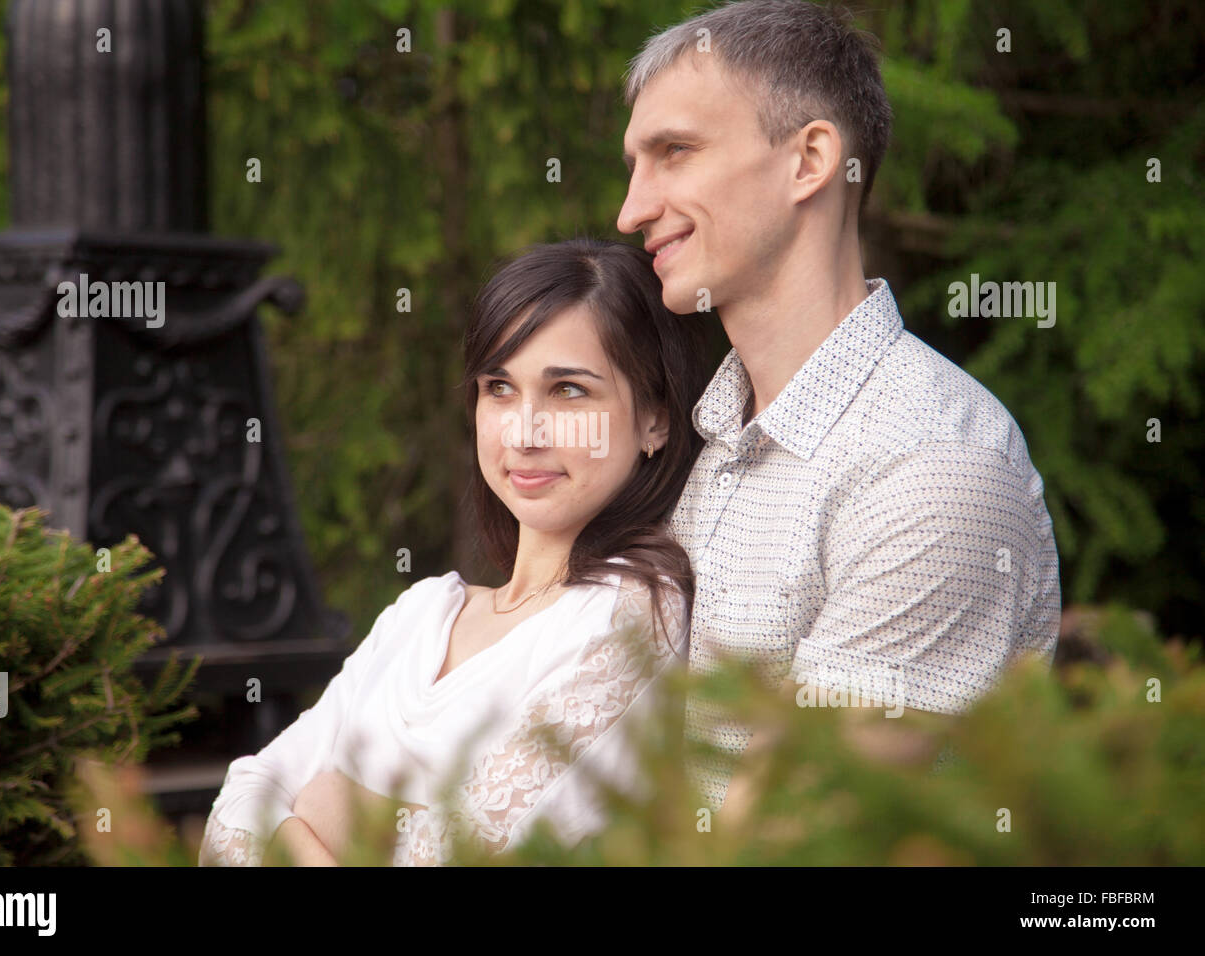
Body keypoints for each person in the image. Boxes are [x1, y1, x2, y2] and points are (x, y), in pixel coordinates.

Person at [616, 0, 1063, 813]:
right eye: (634, 165)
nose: (632, 210)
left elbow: (798, 831)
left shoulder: (934, 467)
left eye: (673, 152)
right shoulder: (708, 440)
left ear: (810, 159)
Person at [198, 238, 708, 865]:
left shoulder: (631, 616)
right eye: (499, 388)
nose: (524, 432)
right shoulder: (420, 614)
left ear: (655, 418)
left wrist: (322, 806)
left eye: (568, 391)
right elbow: (237, 802)